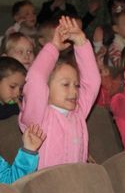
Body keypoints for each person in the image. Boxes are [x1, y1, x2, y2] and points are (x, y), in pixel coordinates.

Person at [19, 16, 100, 168]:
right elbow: (35, 78)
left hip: (75, 183)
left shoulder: (78, 112)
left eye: (76, 85)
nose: (74, 91)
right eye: (65, 84)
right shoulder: (38, 117)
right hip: (48, 188)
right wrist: (54, 47)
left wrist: (81, 41)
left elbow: (92, 83)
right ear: (46, 88)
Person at [0, 56, 26, 121]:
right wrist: (17, 108)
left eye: (20, 88)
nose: (18, 93)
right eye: (12, 86)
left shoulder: (12, 101)